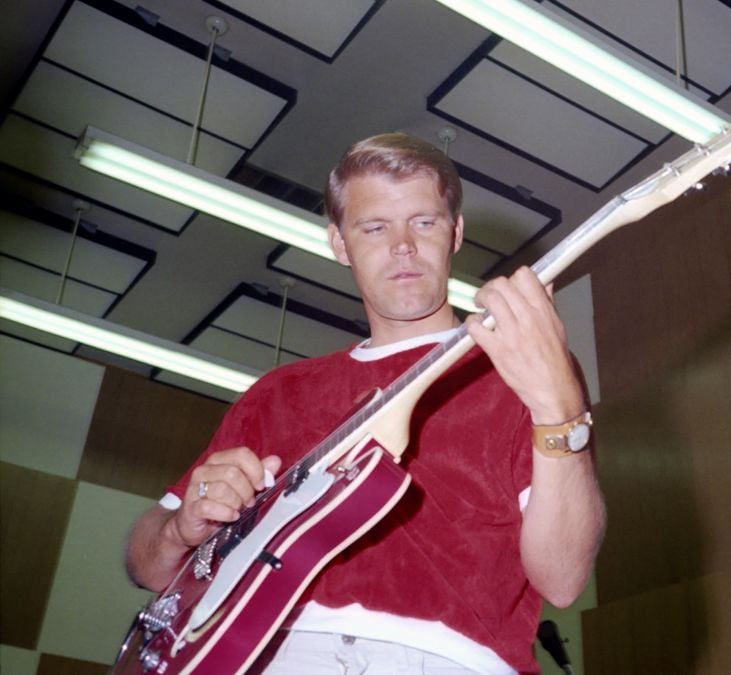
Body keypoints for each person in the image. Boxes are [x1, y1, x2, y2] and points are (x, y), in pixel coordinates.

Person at [124, 132, 605, 674]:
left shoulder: (518, 366)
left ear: (455, 233)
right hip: (268, 655)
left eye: (424, 222)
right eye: (375, 227)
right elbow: (146, 566)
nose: (403, 246)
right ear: (339, 243)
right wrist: (180, 528)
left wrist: (560, 410)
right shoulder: (277, 394)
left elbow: (563, 579)